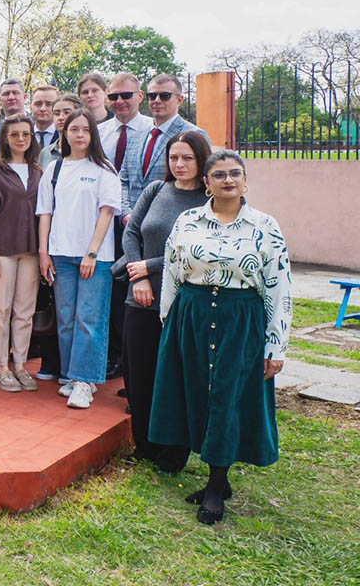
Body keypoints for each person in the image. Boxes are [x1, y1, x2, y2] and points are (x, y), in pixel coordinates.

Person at [151, 150, 292, 526]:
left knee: (228, 396)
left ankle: (216, 486)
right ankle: (218, 478)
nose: (228, 180)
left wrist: (275, 344)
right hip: (192, 315)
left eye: (235, 173)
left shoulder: (264, 226)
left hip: (240, 319)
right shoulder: (187, 221)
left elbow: (279, 286)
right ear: (206, 182)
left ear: (245, 180)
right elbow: (171, 271)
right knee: (198, 392)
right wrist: (168, 321)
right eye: (219, 174)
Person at [121, 131, 209, 473]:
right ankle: (144, 446)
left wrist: (151, 265)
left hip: (183, 301)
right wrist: (139, 276)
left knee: (175, 376)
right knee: (138, 373)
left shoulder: (209, 201)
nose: (179, 164)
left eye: (187, 157)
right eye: (174, 158)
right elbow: (131, 233)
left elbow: (201, 250)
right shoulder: (156, 190)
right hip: (141, 296)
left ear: (201, 159)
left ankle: (173, 452)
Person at [37, 109, 120, 410]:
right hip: (60, 254)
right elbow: (45, 212)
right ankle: (72, 375)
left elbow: (107, 213)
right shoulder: (54, 168)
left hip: (94, 258)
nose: (80, 134)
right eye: (74, 129)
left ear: (93, 134)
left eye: (86, 129)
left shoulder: (104, 169)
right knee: (65, 319)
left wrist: (92, 253)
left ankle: (85, 382)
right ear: (65, 133)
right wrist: (44, 252)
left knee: (89, 319)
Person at [0, 114, 41, 393]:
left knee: (25, 311)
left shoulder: (37, 171)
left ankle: (20, 365)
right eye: (14, 134)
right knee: (1, 308)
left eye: (26, 134)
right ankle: (1, 367)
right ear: (5, 138)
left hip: (31, 250)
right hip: (2, 250)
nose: (20, 139)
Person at [99, 72, 153, 382]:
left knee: (135, 290)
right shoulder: (100, 132)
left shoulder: (152, 131)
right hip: (105, 222)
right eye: (113, 96)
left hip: (139, 223)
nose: (119, 101)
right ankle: (114, 355)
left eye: (126, 95)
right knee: (111, 288)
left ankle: (131, 360)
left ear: (140, 96)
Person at [120, 73, 210, 219]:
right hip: (131, 224)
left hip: (173, 222)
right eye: (152, 96)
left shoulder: (195, 135)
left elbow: (203, 181)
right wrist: (126, 214)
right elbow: (123, 180)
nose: (157, 100)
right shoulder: (136, 136)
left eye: (165, 96)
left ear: (179, 99)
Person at [38, 93, 81, 171]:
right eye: (57, 113)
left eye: (67, 112)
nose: (61, 117)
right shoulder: (45, 153)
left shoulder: (86, 151)